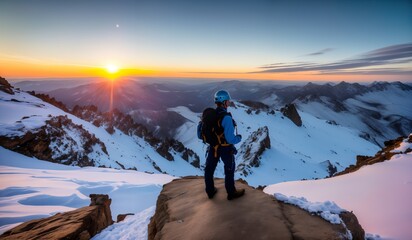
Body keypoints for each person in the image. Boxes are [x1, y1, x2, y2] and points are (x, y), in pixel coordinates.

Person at [197, 90, 245, 200]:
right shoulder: (226, 117)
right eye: (228, 100)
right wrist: (239, 138)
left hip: (213, 147)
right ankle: (231, 193)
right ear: (224, 102)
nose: (229, 102)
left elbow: (201, 134)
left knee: (209, 169)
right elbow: (230, 139)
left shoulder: (211, 115)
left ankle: (210, 191)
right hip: (225, 149)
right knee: (229, 170)